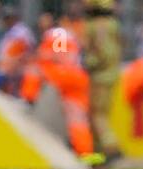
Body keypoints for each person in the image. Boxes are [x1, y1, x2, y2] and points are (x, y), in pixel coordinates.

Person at [21, 6, 93, 154]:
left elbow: (56, 57)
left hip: (64, 74)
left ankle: (28, 98)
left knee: (34, 68)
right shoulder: (70, 33)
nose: (41, 22)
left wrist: (35, 57)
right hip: (78, 77)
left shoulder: (56, 33)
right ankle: (85, 154)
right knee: (78, 121)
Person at [82, 0, 121, 157]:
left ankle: (110, 147)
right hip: (112, 74)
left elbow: (100, 53)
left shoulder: (94, 26)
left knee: (97, 115)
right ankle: (99, 150)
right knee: (103, 113)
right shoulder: (113, 24)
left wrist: (86, 63)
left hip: (99, 76)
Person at [0, 5, 34, 95]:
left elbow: (20, 54)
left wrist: (8, 67)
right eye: (5, 18)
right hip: (7, 72)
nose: (5, 21)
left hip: (15, 72)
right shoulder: (10, 31)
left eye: (8, 18)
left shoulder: (21, 32)